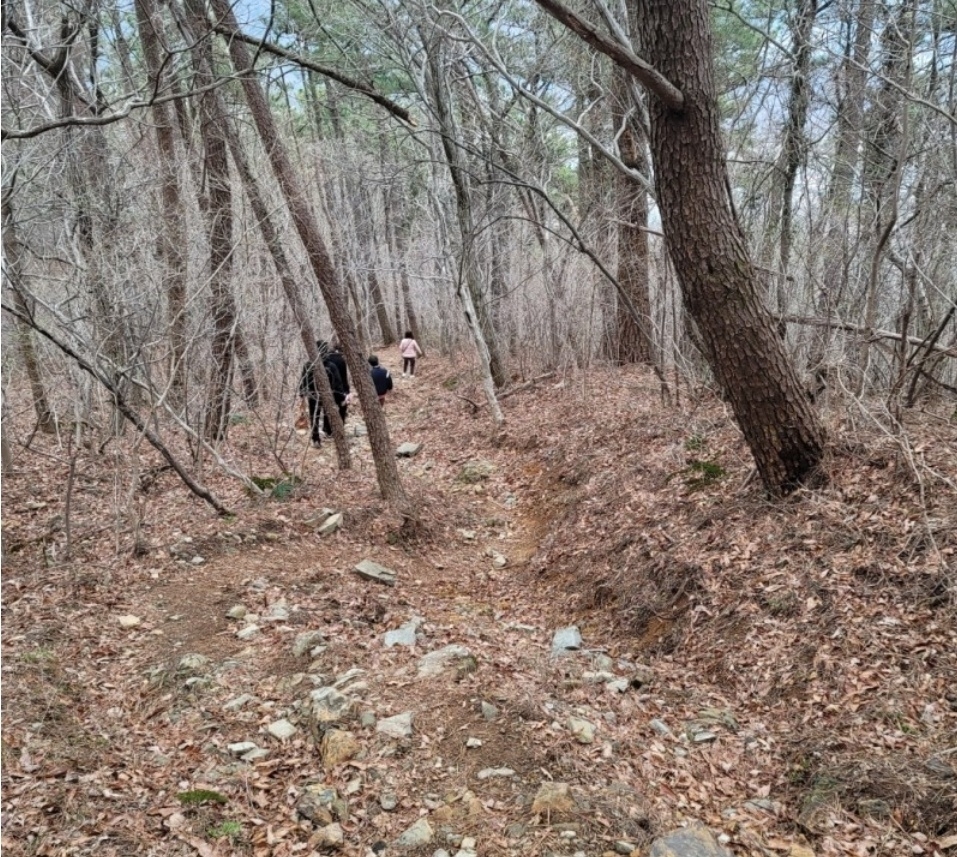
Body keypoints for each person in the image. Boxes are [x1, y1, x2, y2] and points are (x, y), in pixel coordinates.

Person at [327, 341, 350, 427]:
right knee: (342, 407)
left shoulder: (326, 358)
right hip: (341, 387)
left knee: (329, 407)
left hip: (329, 387)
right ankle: (341, 423)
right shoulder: (341, 360)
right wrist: (347, 389)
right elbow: (344, 376)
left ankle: (328, 428)